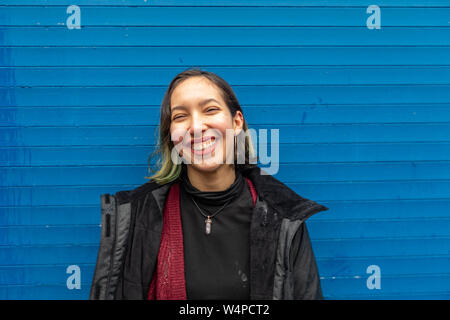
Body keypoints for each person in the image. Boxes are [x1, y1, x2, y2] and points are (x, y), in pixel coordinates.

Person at [89, 68, 328, 300]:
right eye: (181, 116)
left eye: (210, 110)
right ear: (171, 137)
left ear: (236, 123)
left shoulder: (284, 216)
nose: (195, 127)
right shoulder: (137, 216)